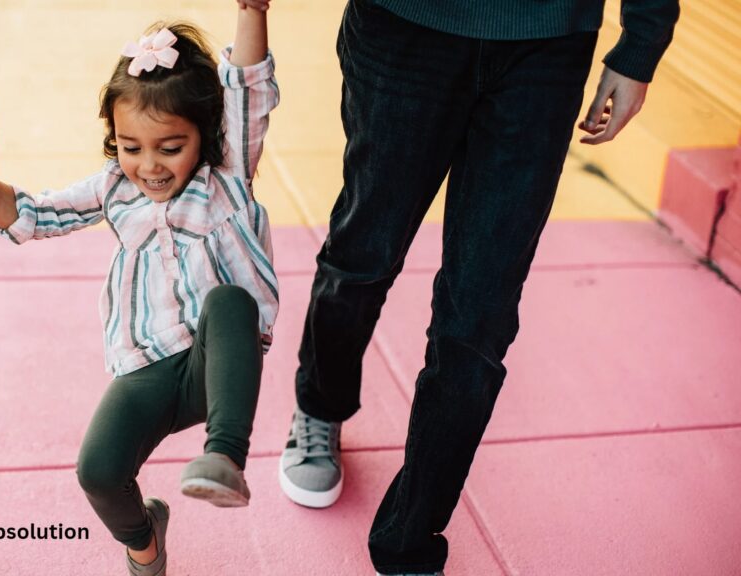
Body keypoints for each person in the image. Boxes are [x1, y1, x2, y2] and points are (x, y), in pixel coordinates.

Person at [275, 0, 679, 574]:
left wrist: (643, 41)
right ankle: (320, 404)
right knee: (363, 254)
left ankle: (409, 542)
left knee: (480, 315)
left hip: (548, 43)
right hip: (404, 30)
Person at [0, 5, 278, 575]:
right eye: (131, 146)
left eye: (169, 147)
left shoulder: (227, 172)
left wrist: (252, 10)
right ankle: (146, 546)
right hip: (146, 364)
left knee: (229, 302)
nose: (148, 165)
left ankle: (223, 458)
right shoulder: (114, 190)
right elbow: (34, 215)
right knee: (97, 470)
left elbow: (247, 87)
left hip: (215, 362)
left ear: (206, 133)